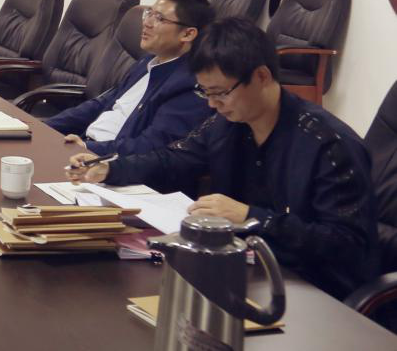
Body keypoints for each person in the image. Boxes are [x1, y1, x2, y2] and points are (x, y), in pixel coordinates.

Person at [66, 17, 377, 300]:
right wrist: (110, 168)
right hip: (244, 271)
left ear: (262, 76)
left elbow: (346, 245)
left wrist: (251, 216)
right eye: (205, 93)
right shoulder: (228, 124)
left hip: (312, 292)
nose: (213, 104)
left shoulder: (329, 145)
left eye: (221, 93)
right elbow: (174, 158)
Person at [47, 0, 214, 156]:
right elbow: (103, 103)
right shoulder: (148, 61)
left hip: (107, 162)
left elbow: (152, 146)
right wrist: (44, 126)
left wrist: (88, 148)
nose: (147, 23)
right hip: (84, 147)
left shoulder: (189, 85)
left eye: (159, 18)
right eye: (149, 13)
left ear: (188, 34)